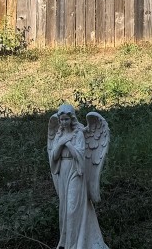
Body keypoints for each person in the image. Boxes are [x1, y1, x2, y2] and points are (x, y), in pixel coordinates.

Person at [47, 104, 110, 249]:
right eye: (62, 120)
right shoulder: (58, 135)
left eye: (66, 119)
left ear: (72, 119)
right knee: (64, 209)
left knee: (72, 208)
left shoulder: (78, 134)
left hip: (76, 171)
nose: (64, 122)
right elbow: (54, 156)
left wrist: (68, 144)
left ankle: (76, 244)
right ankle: (67, 243)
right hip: (63, 171)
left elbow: (81, 156)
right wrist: (61, 143)